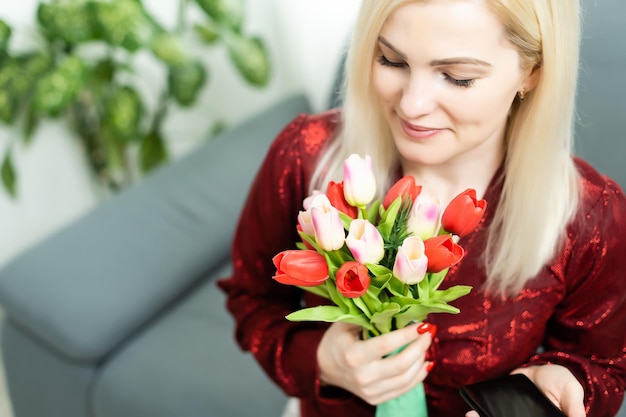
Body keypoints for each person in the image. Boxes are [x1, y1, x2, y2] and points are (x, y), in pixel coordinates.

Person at [217, 0, 626, 416]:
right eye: (390, 60)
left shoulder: (588, 216)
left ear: (532, 72)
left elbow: (603, 365)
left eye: (457, 77)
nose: (412, 105)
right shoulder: (306, 156)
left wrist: (563, 382)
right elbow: (250, 299)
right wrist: (321, 360)